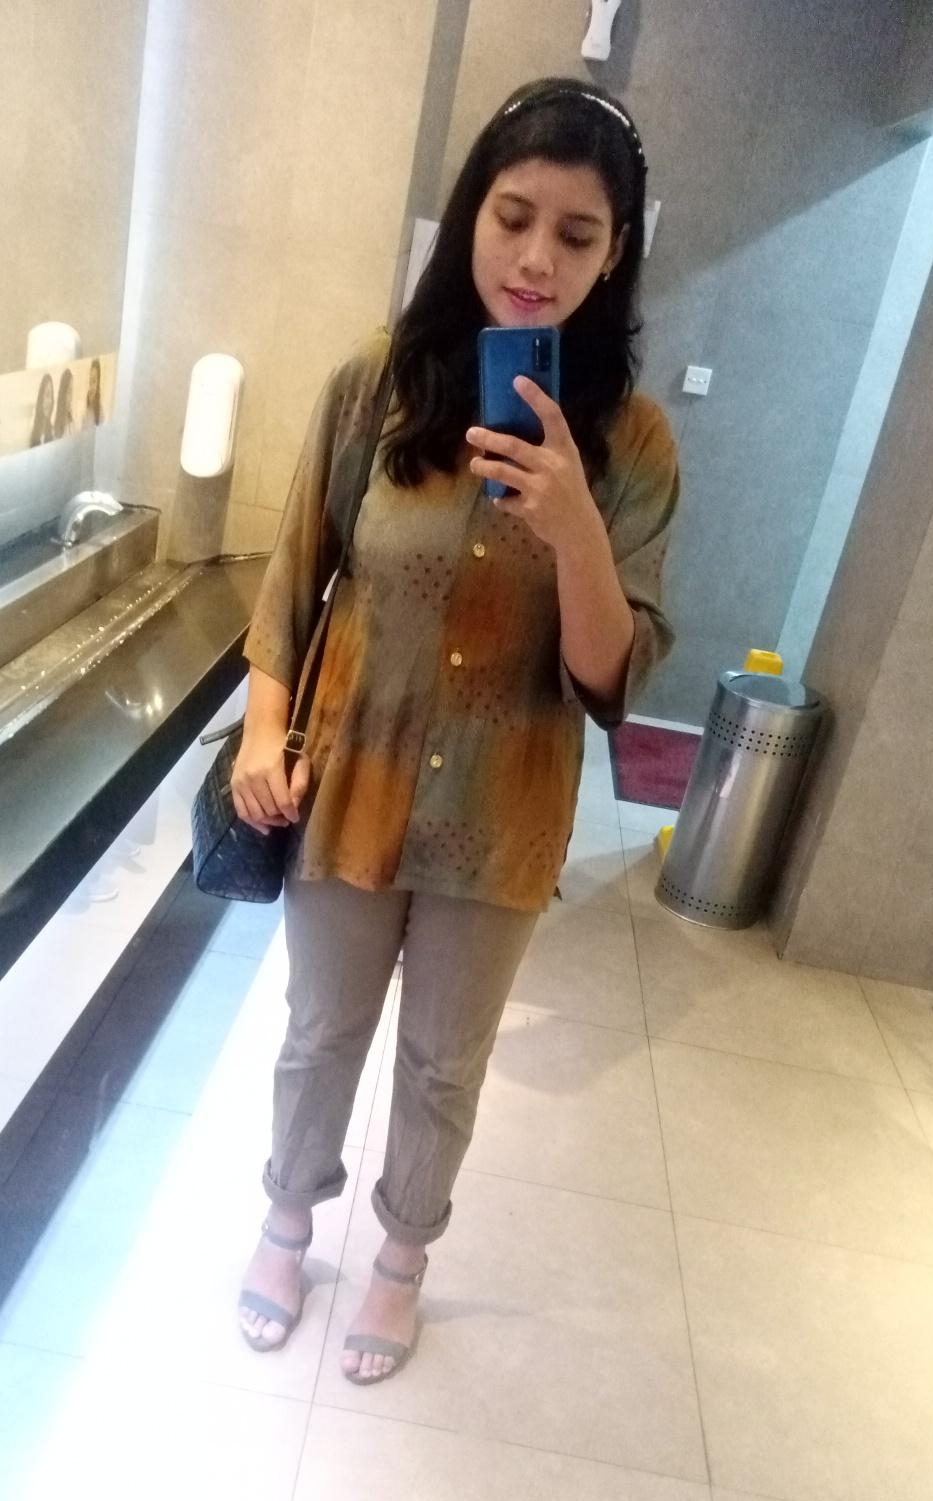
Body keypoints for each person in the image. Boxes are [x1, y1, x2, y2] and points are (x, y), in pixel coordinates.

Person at [234, 79, 678, 1384]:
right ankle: (285, 1222)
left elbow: (609, 677)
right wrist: (263, 732)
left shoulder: (634, 441)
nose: (537, 259)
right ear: (472, 213)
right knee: (320, 1032)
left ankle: (400, 1262)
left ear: (617, 252)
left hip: (504, 808)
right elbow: (296, 572)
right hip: (350, 781)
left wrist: (574, 523)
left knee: (443, 1063)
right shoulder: (375, 386)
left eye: (578, 235)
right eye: (513, 216)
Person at [29, 372, 55, 447]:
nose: (50, 401)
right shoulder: (33, 432)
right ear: (40, 399)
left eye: (51, 396)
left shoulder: (52, 431)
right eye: (47, 395)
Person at [53, 365, 74, 440]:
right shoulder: (57, 425)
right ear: (62, 394)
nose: (71, 397)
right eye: (69, 392)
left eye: (72, 391)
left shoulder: (71, 420)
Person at [83, 357, 104, 427]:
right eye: (90, 382)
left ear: (98, 383)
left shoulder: (100, 413)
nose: (91, 387)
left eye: (94, 381)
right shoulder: (86, 412)